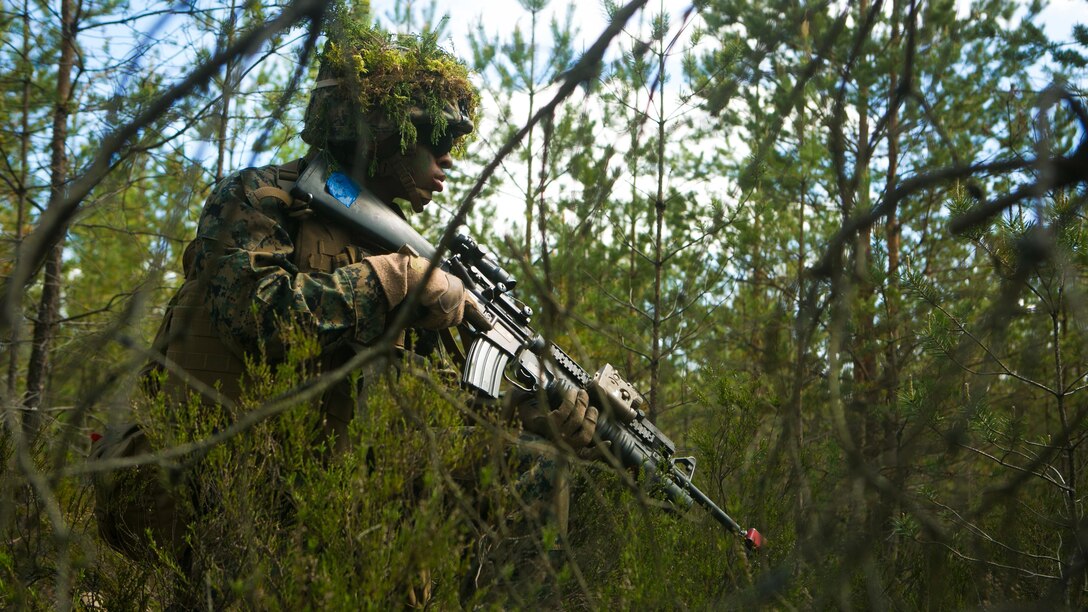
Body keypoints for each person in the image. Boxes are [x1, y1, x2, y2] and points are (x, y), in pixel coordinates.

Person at [92, 22, 598, 605]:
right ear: (377, 135)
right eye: (431, 140)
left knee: (536, 469)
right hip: (223, 489)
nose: (446, 161)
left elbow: (431, 418)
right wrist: (390, 281)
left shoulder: (409, 259)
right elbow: (255, 315)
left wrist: (529, 411)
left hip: (337, 502)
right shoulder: (263, 198)